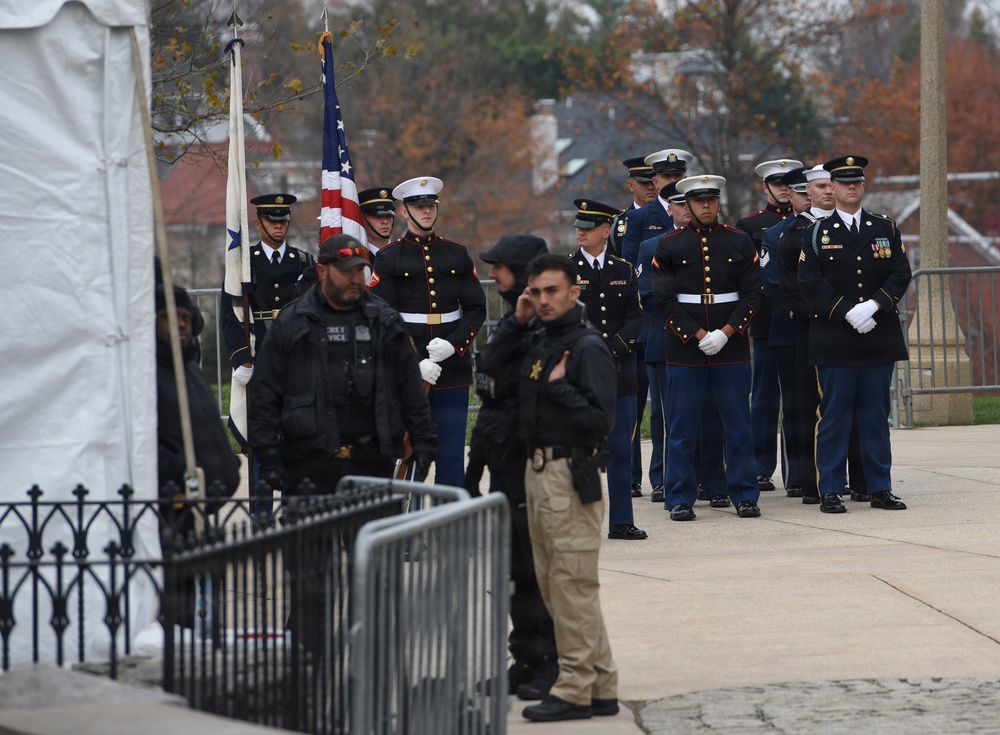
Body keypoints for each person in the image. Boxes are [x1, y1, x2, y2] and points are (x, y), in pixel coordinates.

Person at [483, 253, 619, 722]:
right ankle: (600, 683)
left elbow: (603, 421)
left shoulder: (586, 346)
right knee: (559, 585)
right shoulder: (540, 337)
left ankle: (576, 689)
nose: (542, 300)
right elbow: (492, 377)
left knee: (570, 586)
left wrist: (561, 388)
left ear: (574, 292)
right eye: (535, 292)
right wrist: (516, 323)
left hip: (568, 475)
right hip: (536, 474)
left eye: (551, 291)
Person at [248, 234, 436, 497]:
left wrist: (423, 442)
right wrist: (268, 456)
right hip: (308, 469)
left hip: (372, 466)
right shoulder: (291, 323)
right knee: (312, 539)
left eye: (361, 270)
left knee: (368, 538)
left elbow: (410, 389)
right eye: (347, 271)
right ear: (323, 272)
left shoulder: (385, 322)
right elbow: (264, 395)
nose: (356, 279)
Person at [465, 234, 558, 697]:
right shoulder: (514, 324)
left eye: (499, 267)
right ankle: (523, 657)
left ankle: (550, 662)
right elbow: (487, 389)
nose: (492, 275)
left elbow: (521, 391)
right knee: (514, 575)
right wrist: (472, 471)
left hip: (536, 468)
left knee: (540, 574)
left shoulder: (550, 326)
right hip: (503, 465)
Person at [798, 155, 910, 514]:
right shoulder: (816, 232)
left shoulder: (885, 228)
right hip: (835, 337)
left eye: (856, 182)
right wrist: (847, 310)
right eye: (843, 182)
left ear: (863, 187)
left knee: (875, 415)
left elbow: (900, 274)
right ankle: (830, 489)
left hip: (877, 333)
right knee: (834, 414)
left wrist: (874, 306)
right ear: (831, 188)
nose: (850, 187)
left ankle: (879, 487)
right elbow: (809, 283)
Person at [652, 174, 762, 521]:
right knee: (682, 429)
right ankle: (680, 497)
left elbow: (753, 295)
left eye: (711, 201)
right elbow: (665, 300)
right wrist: (700, 335)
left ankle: (744, 494)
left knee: (738, 427)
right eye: (699, 201)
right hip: (685, 350)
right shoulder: (670, 245)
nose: (706, 207)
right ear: (687, 205)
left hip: (731, 349)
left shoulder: (739, 242)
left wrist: (727, 332)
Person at [370, 176, 486, 488]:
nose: (426, 211)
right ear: (404, 211)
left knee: (450, 454)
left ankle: (448, 530)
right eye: (418, 206)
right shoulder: (389, 258)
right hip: (409, 371)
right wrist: (412, 360)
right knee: (408, 454)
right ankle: (407, 527)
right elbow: (383, 317)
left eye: (430, 205)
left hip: (452, 368)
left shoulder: (456, 254)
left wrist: (453, 345)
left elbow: (476, 308)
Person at [220, 193, 315, 513]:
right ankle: (261, 515)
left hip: (295, 358)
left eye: (283, 220)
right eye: (272, 221)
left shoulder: (304, 262)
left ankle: (292, 510)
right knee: (261, 440)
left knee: (294, 437)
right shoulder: (242, 262)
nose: (279, 226)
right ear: (258, 223)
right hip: (258, 357)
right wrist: (240, 356)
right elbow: (228, 315)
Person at [156, 284, 240, 627]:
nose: (180, 324)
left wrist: (227, 463)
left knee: (206, 620)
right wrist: (179, 474)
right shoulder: (148, 374)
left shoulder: (189, 367)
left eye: (185, 317)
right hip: (173, 511)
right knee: (178, 615)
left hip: (204, 513)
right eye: (168, 318)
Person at [571, 198, 646, 541]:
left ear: (605, 231)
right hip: (581, 373)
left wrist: (615, 346)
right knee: (581, 450)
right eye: (578, 227)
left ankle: (621, 521)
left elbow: (635, 317)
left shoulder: (624, 269)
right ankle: (582, 522)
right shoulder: (566, 270)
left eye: (588, 228)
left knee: (620, 449)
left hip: (619, 370)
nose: (580, 232)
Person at [621, 149, 692, 499]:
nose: (672, 182)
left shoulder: (694, 212)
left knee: (675, 410)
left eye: (679, 175)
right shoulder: (637, 219)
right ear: (655, 181)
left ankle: (668, 475)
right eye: (665, 178)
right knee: (638, 406)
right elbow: (632, 272)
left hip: (688, 328)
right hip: (649, 327)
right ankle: (634, 475)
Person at [735, 159, 801, 495]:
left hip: (802, 322)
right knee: (763, 398)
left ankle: (799, 470)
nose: (784, 189)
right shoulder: (750, 225)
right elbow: (750, 274)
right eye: (777, 183)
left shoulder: (807, 221)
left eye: (790, 183)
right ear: (765, 186)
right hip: (766, 319)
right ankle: (761, 467)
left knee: (799, 399)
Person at [760, 166, 812, 499]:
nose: (809, 197)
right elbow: (774, 283)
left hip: (828, 327)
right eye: (802, 192)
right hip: (791, 326)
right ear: (789, 196)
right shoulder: (774, 234)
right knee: (795, 405)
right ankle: (798, 474)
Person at [606, 157, 656, 259]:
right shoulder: (616, 224)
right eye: (644, 183)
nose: (650, 187)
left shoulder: (672, 216)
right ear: (631, 186)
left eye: (653, 182)